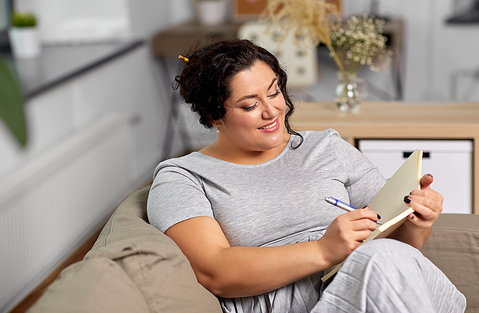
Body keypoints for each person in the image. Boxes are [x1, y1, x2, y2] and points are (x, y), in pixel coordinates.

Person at [147, 39, 466, 313]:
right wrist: (323, 250)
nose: (272, 111)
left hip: (380, 283)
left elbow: (399, 251)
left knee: (385, 255)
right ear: (215, 116)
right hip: (302, 303)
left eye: (274, 93)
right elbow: (213, 271)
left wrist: (416, 224)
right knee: (380, 257)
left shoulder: (326, 146)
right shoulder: (183, 177)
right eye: (249, 105)